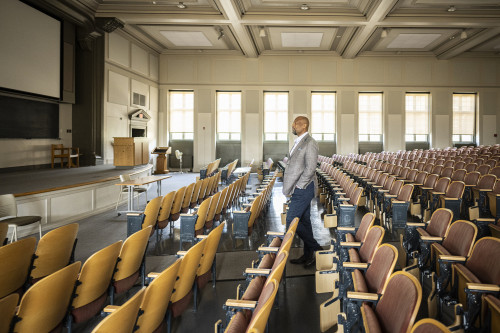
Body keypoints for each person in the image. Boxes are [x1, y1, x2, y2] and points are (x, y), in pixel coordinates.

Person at [283, 116, 322, 267]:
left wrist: (299, 185)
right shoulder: (299, 141)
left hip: (304, 188)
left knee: (291, 219)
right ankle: (308, 256)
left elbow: (311, 168)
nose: (293, 125)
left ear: (304, 125)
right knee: (304, 221)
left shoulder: (310, 143)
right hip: (299, 187)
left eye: (296, 123)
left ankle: (317, 249)